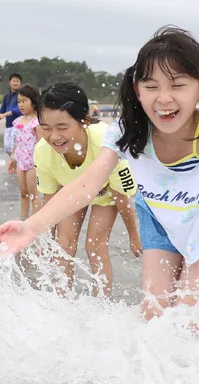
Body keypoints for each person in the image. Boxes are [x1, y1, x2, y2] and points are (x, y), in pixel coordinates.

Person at [0, 26, 199, 321]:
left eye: (177, 85)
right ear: (136, 89)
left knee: (193, 320)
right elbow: (88, 183)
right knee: (153, 316)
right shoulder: (128, 132)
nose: (164, 98)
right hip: (158, 221)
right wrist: (32, 226)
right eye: (151, 86)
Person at [31, 82, 141, 296]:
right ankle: (62, 299)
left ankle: (100, 302)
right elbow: (50, 200)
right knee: (64, 245)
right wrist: (45, 238)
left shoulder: (106, 143)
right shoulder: (43, 152)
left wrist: (133, 235)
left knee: (95, 245)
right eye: (46, 128)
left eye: (62, 128)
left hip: (106, 193)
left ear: (85, 122)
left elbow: (122, 196)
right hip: (71, 191)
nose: (54, 136)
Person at [8, 85, 42, 218]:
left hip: (33, 163)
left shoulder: (36, 122)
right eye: (19, 101)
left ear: (33, 102)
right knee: (23, 194)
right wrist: (12, 159)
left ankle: (36, 222)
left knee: (34, 194)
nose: (21, 104)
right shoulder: (18, 121)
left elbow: (41, 143)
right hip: (20, 162)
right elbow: (18, 142)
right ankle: (23, 220)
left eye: (24, 101)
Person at [0, 73, 23, 155]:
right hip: (8, 125)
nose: (15, 83)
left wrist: (5, 115)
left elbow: (18, 110)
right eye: (14, 81)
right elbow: (2, 109)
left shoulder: (21, 95)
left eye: (17, 81)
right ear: (10, 83)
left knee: (15, 148)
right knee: (7, 148)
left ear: (20, 83)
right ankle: (13, 166)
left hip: (18, 125)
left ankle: (17, 166)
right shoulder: (7, 95)